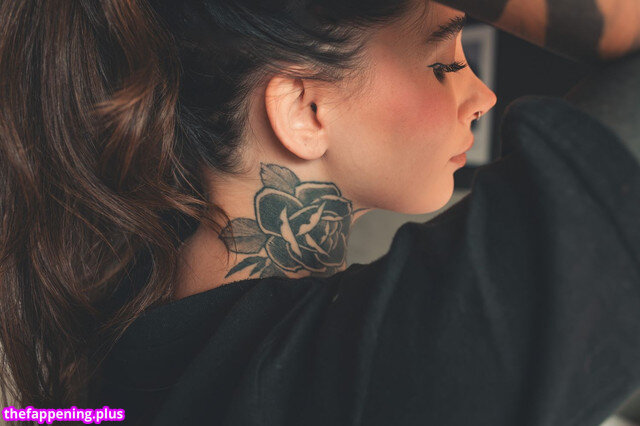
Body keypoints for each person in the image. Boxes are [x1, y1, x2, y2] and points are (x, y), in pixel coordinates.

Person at [0, 0, 638, 425]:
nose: (483, 95)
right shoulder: (366, 371)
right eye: (443, 63)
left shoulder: (135, 361)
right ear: (304, 110)